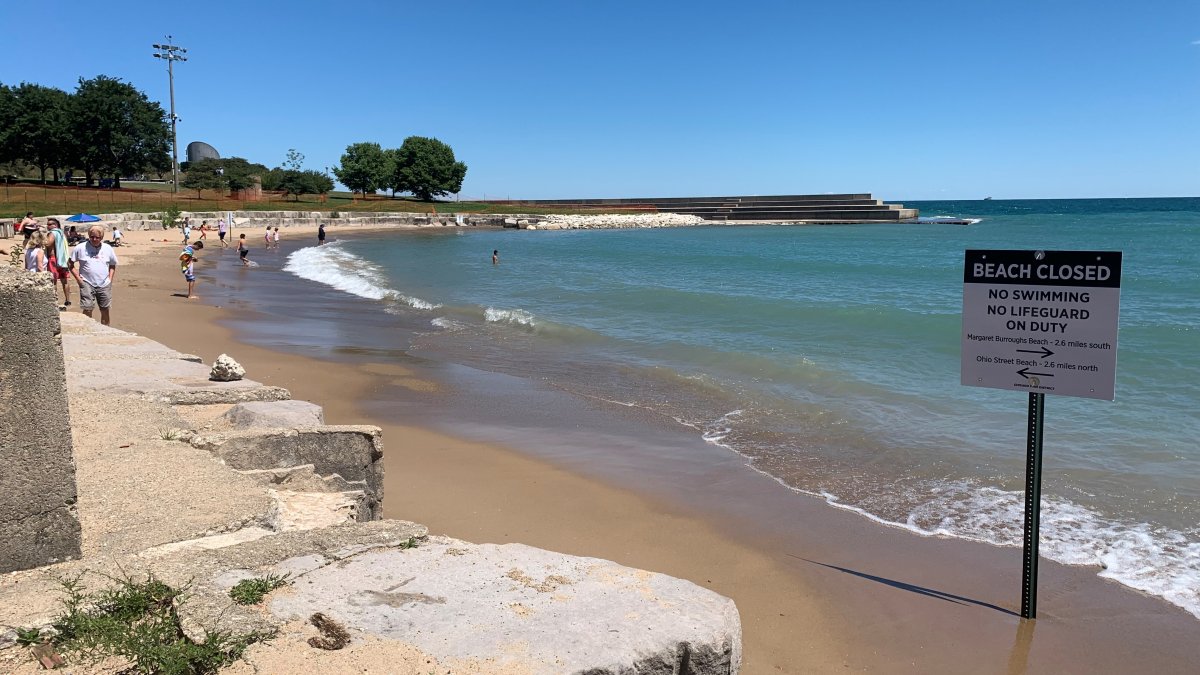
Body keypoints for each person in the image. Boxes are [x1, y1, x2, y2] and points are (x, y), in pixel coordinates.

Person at [69, 225, 119, 326]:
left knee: (105, 309)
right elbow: (70, 264)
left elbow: (112, 265)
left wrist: (110, 279)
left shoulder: (108, 248)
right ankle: (87, 329)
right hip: (86, 282)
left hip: (104, 283)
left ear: (102, 238)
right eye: (92, 237)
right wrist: (79, 279)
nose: (94, 239)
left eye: (97, 237)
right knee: (87, 308)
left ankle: (105, 329)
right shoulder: (80, 248)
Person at [46, 218, 72, 307]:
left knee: (53, 281)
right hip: (63, 259)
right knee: (64, 280)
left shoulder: (53, 233)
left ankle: (54, 301)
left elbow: (48, 243)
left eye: (50, 224)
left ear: (55, 225)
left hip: (54, 259)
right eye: (47, 224)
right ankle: (68, 300)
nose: (47, 226)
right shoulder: (62, 233)